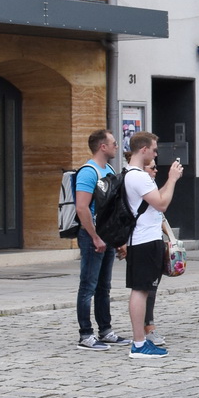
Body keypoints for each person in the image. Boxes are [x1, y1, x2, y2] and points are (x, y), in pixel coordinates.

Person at [122, 131, 183, 359]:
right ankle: (138, 343)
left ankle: (140, 341)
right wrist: (173, 178)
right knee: (140, 290)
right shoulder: (138, 176)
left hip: (143, 238)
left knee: (143, 289)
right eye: (155, 150)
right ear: (144, 150)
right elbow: (162, 203)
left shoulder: (132, 174)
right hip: (144, 239)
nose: (156, 154)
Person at [72, 129, 129, 351]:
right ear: (102, 147)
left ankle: (105, 330)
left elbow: (113, 209)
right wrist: (94, 236)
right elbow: (82, 207)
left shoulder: (110, 169)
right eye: (113, 143)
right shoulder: (89, 172)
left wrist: (117, 239)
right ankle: (85, 334)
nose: (117, 146)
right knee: (88, 285)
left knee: (104, 286)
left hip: (106, 236)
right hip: (92, 236)